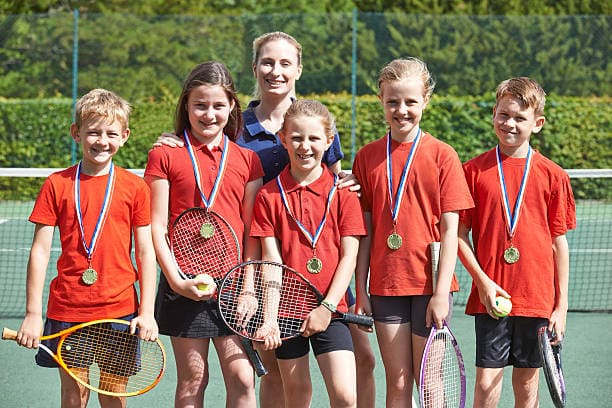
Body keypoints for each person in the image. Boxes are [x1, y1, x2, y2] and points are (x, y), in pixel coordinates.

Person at [155, 31, 377, 408]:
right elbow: (204, 143)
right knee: (272, 371)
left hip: (321, 270)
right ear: (255, 67)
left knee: (364, 361)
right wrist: (172, 137)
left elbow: (335, 185)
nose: (276, 70)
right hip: (269, 274)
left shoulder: (314, 119)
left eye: (285, 63)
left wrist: (348, 182)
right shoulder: (236, 129)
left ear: (299, 69)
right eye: (268, 62)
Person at [15, 88, 159, 408]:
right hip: (68, 309)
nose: (101, 141)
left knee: (113, 393)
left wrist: (147, 311)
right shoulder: (56, 184)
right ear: (76, 133)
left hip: (119, 309)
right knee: (74, 395)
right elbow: (39, 251)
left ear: (124, 136)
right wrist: (32, 314)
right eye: (93, 132)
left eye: (110, 133)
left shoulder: (135, 187)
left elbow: (146, 252)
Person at [352, 58, 474, 407]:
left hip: (429, 287)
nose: (401, 110)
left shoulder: (443, 155)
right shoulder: (367, 157)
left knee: (430, 383)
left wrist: (440, 293)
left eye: (410, 102)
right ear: (381, 100)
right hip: (386, 287)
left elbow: (451, 231)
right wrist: (360, 288)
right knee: (399, 382)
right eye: (393, 102)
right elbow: (366, 231)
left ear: (425, 100)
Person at [144, 61, 263, 407]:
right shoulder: (164, 154)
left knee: (243, 379)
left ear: (231, 107)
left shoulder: (247, 160)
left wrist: (249, 288)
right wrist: (177, 281)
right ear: (186, 106)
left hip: (234, 287)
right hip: (182, 286)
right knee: (194, 379)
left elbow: (251, 232)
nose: (209, 114)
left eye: (217, 105)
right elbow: (157, 226)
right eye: (200, 105)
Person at [457, 77, 576, 407]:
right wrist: (482, 282)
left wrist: (561, 306)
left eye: (520, 118)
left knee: (526, 383)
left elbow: (558, 243)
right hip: (492, 298)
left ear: (537, 124)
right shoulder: (473, 172)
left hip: (537, 298)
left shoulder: (554, 176)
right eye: (503, 114)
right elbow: (458, 235)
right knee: (486, 384)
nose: (509, 123)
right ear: (494, 113)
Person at [252, 99, 367, 408]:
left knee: (345, 396)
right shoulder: (268, 195)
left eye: (314, 138)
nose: (305, 146)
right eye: (297, 137)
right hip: (287, 315)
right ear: (283, 139)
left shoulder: (343, 193)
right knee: (298, 395)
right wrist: (270, 318)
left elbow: (349, 256)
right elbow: (271, 262)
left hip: (332, 311)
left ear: (329, 141)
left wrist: (326, 309)